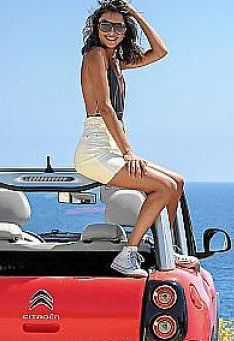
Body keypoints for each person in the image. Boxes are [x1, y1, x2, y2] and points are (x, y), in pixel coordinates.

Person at [74, 0, 195, 277]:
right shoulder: (95, 55)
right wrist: (128, 152)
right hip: (96, 149)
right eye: (106, 25)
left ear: (126, 30)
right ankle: (128, 254)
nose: (112, 31)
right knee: (163, 187)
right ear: (96, 27)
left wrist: (135, 14)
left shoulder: (117, 61)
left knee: (176, 183)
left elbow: (160, 51)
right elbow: (105, 107)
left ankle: (166, 248)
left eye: (119, 26)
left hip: (112, 145)